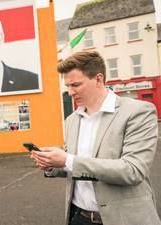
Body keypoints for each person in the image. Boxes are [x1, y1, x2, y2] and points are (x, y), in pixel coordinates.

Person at [30, 51, 161, 225]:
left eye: (75, 84)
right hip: (78, 216)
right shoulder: (72, 120)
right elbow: (76, 166)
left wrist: (67, 159)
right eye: (67, 86)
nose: (69, 92)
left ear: (99, 79)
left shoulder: (138, 112)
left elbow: (132, 170)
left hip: (123, 219)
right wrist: (52, 164)